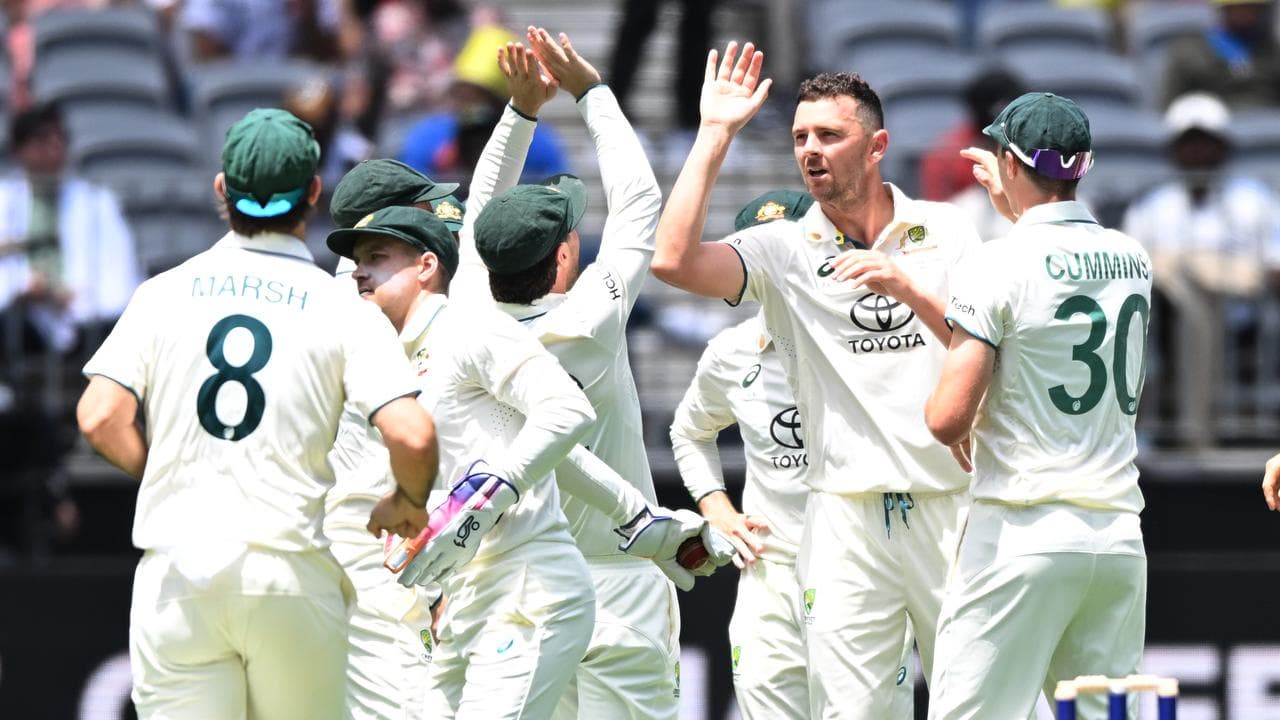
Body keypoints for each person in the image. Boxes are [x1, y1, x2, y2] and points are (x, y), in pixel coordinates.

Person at [650, 43, 981, 718]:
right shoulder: (783, 250)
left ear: (878, 144)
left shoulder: (948, 230)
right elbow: (673, 261)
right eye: (801, 137)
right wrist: (715, 134)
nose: (811, 150)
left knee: (979, 704)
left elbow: (983, 348)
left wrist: (908, 287)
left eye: (830, 135)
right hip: (844, 521)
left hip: (950, 506)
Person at [74, 107, 439, 719]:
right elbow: (413, 433)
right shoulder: (342, 305)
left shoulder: (164, 291)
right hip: (289, 576)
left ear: (222, 189)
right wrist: (408, 499)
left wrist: (166, 471)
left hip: (179, 578)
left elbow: (98, 417)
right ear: (315, 193)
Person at [461, 27, 681, 718]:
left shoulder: (469, 318)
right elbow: (641, 202)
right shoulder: (591, 316)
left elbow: (476, 218)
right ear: (562, 258)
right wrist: (590, 91)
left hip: (517, 586)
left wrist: (519, 111)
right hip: (622, 581)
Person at [925, 91, 1152, 719]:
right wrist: (1016, 205)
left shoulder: (997, 262)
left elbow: (947, 416)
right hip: (1116, 538)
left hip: (1021, 533)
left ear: (1011, 165)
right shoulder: (1133, 258)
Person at [668, 188, 916, 720]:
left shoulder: (878, 333)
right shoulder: (730, 354)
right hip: (770, 571)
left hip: (862, 565)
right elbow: (689, 432)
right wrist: (717, 507)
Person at [1122, 91, 1280, 446]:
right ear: (1174, 150)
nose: (1198, 153)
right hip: (1167, 317)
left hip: (1244, 317)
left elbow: (1273, 267)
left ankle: (1195, 428)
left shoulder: (1255, 199)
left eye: (1207, 143)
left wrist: (1208, 272)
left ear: (1224, 147)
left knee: (1186, 274)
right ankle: (1191, 427)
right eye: (1188, 143)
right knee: (1180, 281)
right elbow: (1133, 274)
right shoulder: (1151, 206)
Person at [0, 102, 141, 358]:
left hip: (84, 322)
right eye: (42, 139)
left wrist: (73, 297)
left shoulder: (97, 202)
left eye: (60, 138)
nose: (55, 147)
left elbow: (120, 274)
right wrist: (22, 290)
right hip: (20, 323)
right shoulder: (4, 201)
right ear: (19, 149)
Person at [399, 24, 569, 187]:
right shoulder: (429, 138)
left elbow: (558, 198)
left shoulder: (536, 143)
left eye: (482, 94)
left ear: (505, 99)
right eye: (464, 93)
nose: (472, 104)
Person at [1160, 0, 1280, 110]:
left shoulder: (1274, 52)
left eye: (1251, 7)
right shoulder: (1189, 54)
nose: (1244, 13)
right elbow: (1167, 110)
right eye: (1238, 7)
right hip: (1210, 127)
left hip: (1269, 125)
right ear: (1223, 8)